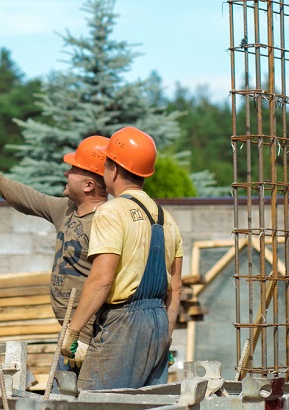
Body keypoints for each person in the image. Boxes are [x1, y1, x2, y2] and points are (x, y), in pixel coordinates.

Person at [64, 126, 184, 390]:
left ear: (114, 170)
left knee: (96, 404)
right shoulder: (168, 219)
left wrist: (73, 331)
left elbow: (102, 279)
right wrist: (165, 336)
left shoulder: (111, 212)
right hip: (158, 324)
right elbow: (175, 288)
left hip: (122, 325)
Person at [0, 135, 110, 365]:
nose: (66, 174)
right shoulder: (67, 209)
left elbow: (104, 282)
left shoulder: (107, 222)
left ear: (89, 185)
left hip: (89, 341)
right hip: (70, 335)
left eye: (74, 170)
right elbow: (29, 199)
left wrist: (81, 336)